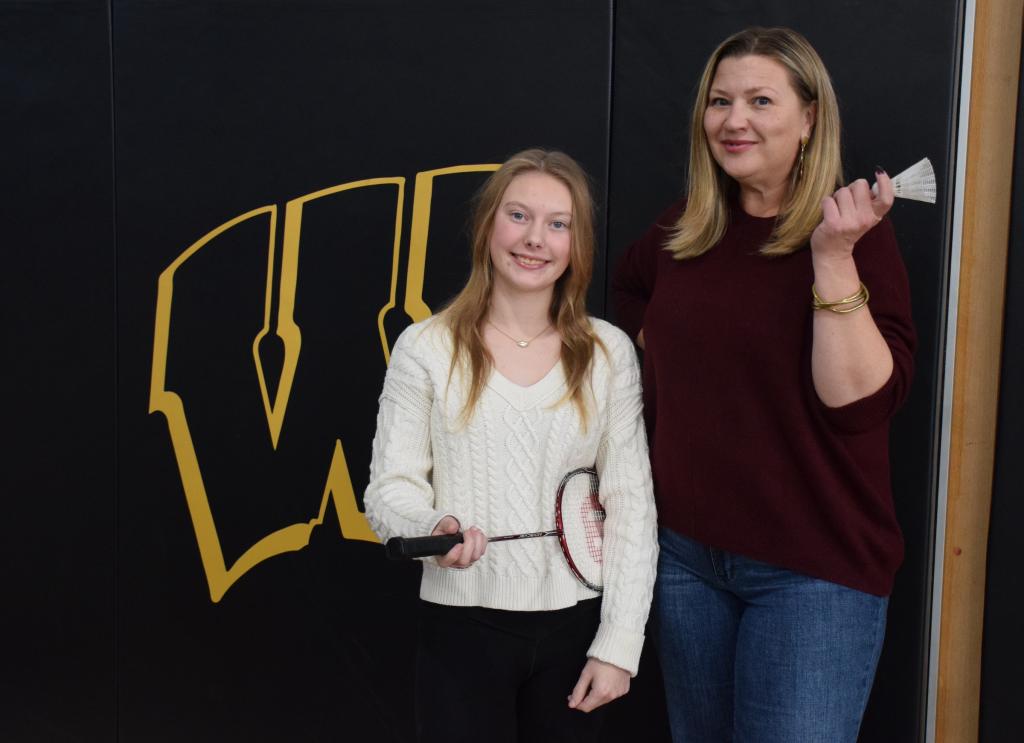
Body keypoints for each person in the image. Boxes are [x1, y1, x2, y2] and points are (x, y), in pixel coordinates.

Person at [611, 27, 916, 743]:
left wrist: (832, 258)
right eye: (720, 101)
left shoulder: (857, 236)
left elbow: (860, 404)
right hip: (686, 559)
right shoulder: (681, 231)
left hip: (811, 572)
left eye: (760, 100)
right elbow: (629, 296)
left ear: (809, 119)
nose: (734, 120)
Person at [365, 149, 658, 743]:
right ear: (487, 225)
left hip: (578, 631)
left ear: (577, 244)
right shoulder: (425, 347)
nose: (535, 239)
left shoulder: (608, 352)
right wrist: (433, 526)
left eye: (558, 223)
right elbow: (389, 488)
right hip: (460, 631)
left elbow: (631, 505)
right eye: (518, 215)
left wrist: (619, 644)